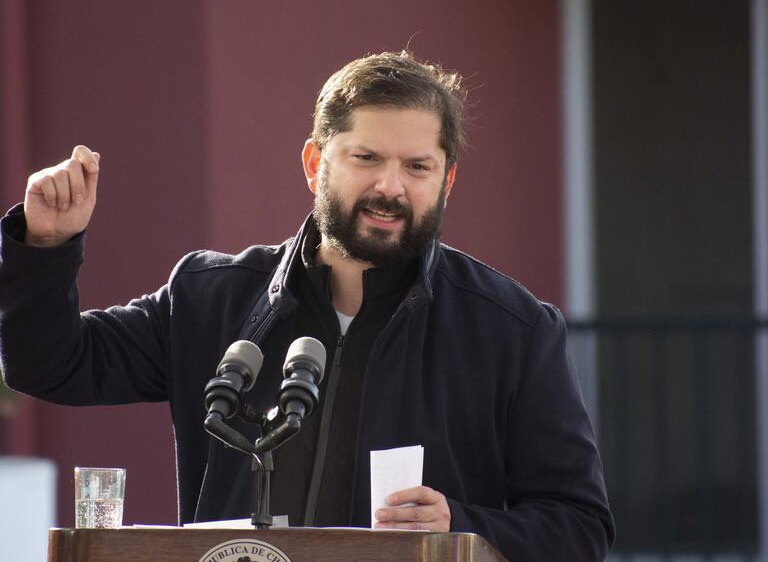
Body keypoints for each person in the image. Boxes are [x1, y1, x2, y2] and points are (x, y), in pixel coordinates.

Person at [0, 51, 614, 560]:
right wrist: (46, 247)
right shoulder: (209, 297)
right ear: (315, 163)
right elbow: (48, 364)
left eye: (417, 166)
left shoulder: (514, 330)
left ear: (446, 181)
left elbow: (580, 529)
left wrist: (465, 525)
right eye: (366, 158)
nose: (390, 186)